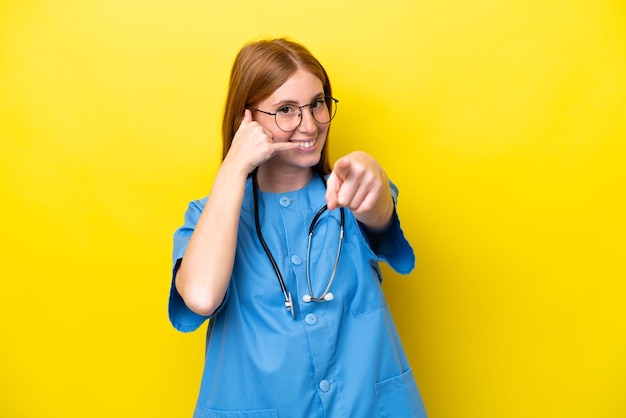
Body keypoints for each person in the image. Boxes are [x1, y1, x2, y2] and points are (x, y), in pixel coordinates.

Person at [169, 38, 427, 418]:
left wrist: (371, 173)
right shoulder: (209, 217)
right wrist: (234, 168)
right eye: (286, 109)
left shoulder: (347, 193)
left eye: (318, 103)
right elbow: (201, 297)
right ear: (248, 121)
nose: (310, 124)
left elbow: (378, 210)